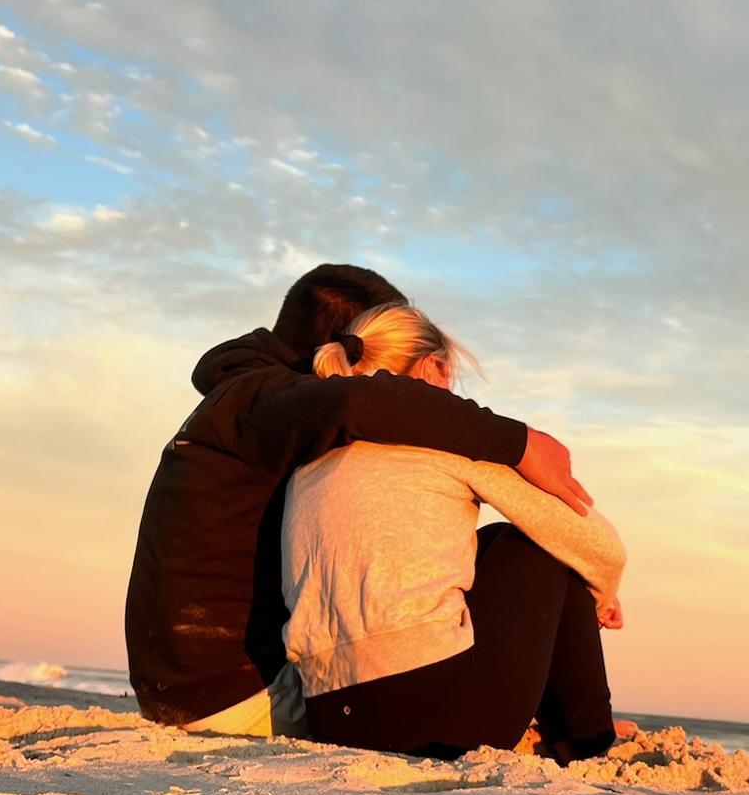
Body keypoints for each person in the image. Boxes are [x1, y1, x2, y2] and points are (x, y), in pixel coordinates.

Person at [124, 264, 590, 736]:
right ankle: (581, 730)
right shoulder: (263, 398)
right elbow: (362, 403)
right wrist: (521, 442)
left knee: (482, 551)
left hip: (192, 691)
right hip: (235, 700)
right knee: (531, 545)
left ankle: (555, 713)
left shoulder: (256, 399)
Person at [282, 303, 625, 763]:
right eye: (450, 379)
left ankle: (574, 730)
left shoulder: (310, 462)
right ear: (431, 369)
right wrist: (602, 594)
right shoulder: (453, 437)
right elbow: (601, 546)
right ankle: (588, 740)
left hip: (330, 716)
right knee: (538, 542)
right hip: (434, 719)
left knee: (490, 545)